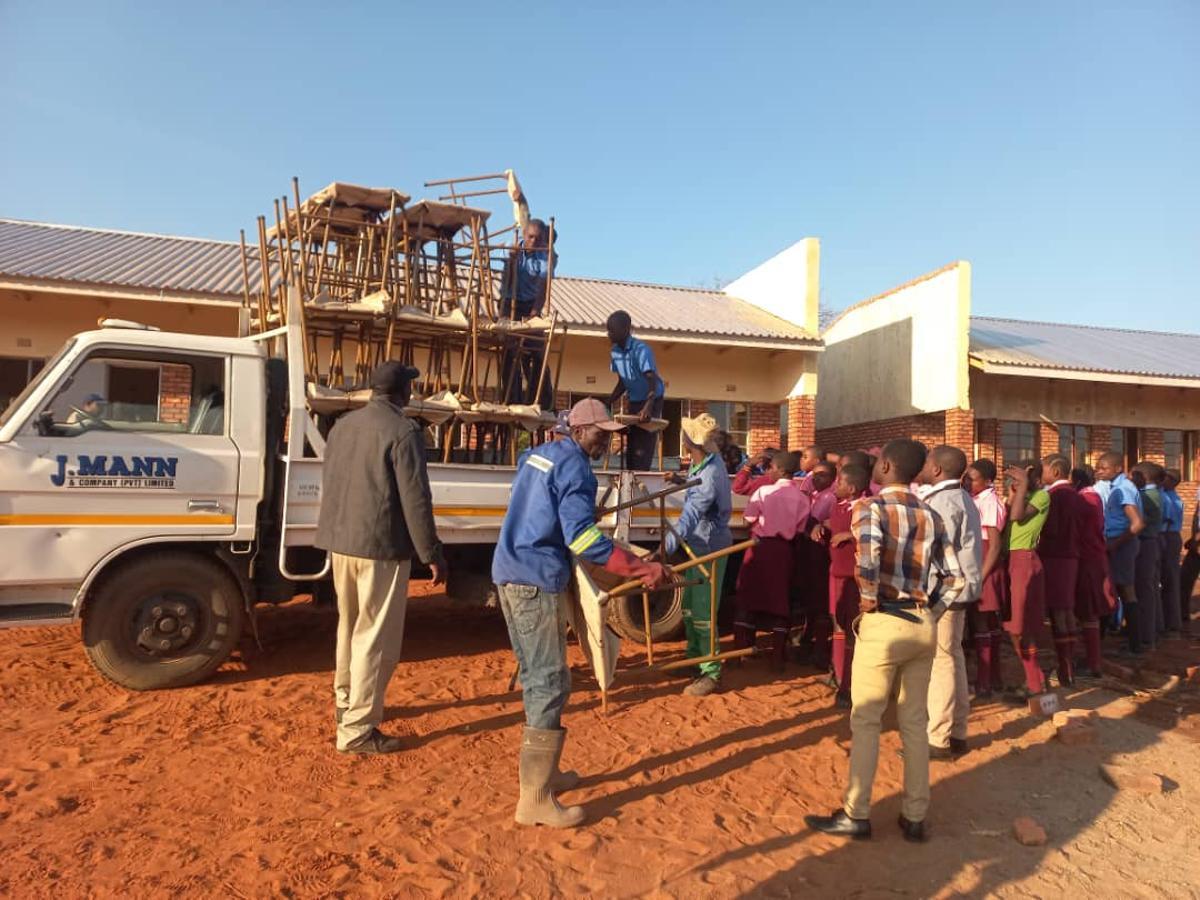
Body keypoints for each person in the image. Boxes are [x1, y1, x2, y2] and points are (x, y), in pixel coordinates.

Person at [492, 398, 670, 827]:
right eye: (600, 433)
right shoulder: (576, 468)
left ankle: (546, 776)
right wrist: (641, 566)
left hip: (509, 571)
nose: (607, 441)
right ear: (579, 430)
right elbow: (585, 541)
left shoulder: (536, 454)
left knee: (540, 676)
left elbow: (542, 504)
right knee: (549, 682)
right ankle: (533, 799)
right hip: (535, 578)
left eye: (609, 434)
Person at [804, 440, 966, 843]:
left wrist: (870, 600)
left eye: (878, 464)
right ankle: (915, 815)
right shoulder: (931, 515)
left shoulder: (870, 509)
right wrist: (931, 612)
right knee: (914, 722)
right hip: (920, 621)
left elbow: (869, 559)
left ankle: (856, 813)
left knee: (867, 720)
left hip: (885, 622)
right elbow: (954, 578)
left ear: (887, 467)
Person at [315, 362, 446, 755]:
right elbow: (416, 500)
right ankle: (357, 731)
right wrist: (432, 552)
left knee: (349, 627)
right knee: (374, 638)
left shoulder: (342, 426)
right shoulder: (404, 432)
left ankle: (346, 703)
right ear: (402, 393)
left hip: (342, 542)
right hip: (381, 548)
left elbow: (334, 480)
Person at [918, 446, 982, 759]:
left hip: (944, 590)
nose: (924, 466)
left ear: (938, 470)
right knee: (952, 657)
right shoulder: (962, 498)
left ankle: (939, 737)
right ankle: (957, 732)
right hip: (959, 589)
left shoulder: (942, 502)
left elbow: (930, 551)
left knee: (941, 661)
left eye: (928, 462)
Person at [665, 412, 733, 697]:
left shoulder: (711, 472)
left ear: (688, 442)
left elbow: (693, 510)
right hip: (696, 545)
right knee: (690, 608)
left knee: (704, 613)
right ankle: (694, 658)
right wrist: (680, 478)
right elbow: (697, 486)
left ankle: (711, 672)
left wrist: (666, 547)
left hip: (709, 550)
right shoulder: (703, 463)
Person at [733, 451, 806, 668]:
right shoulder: (802, 498)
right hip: (784, 551)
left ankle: (739, 654)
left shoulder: (764, 492)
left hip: (758, 548)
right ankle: (777, 657)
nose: (768, 471)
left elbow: (748, 520)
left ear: (781, 470)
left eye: (772, 467)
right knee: (780, 601)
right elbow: (800, 529)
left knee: (747, 597)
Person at [499, 175, 557, 408]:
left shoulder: (546, 257)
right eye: (530, 237)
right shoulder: (513, 250)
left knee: (536, 351)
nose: (533, 241)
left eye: (538, 238)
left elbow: (543, 288)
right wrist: (512, 261)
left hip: (530, 304)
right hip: (509, 301)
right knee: (509, 352)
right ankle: (510, 399)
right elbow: (506, 281)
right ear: (525, 236)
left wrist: (535, 311)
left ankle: (541, 401)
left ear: (544, 239)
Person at [816, 462, 870, 707]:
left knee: (852, 628)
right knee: (837, 623)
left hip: (853, 576)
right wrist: (820, 526)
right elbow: (832, 522)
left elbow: (872, 534)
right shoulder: (838, 506)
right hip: (835, 573)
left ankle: (849, 685)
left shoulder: (865, 508)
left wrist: (850, 535)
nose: (835, 486)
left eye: (840, 483)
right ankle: (838, 676)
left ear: (852, 488)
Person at [1002, 461, 1050, 702]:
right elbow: (1007, 521)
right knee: (1013, 626)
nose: (1015, 482)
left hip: (1024, 560)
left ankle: (1034, 684)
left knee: (1021, 627)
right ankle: (1035, 677)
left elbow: (1018, 517)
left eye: (1020, 478)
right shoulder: (1020, 495)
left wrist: (1021, 489)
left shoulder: (1041, 497)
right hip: (1011, 559)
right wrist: (1014, 493)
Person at [1038, 454, 1084, 687]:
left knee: (1059, 613)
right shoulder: (1077, 495)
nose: (1040, 473)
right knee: (1066, 610)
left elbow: (1051, 529)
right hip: (1072, 557)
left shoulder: (1054, 496)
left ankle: (1065, 670)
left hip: (1055, 557)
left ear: (1055, 472)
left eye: (1043, 469)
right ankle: (1068, 667)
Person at [964, 459, 1007, 698]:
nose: (969, 482)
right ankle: (993, 677)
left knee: (983, 620)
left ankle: (984, 682)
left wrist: (981, 576)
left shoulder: (990, 501)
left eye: (974, 478)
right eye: (967, 477)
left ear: (988, 480)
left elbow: (994, 544)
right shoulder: (976, 498)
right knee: (986, 623)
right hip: (978, 561)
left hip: (985, 565)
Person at [1094, 452, 1145, 654]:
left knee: (1124, 590)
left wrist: (1114, 545)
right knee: (1113, 589)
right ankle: (1105, 638)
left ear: (1118, 468)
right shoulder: (1117, 488)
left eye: (1104, 468)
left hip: (1121, 544)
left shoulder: (1123, 489)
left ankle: (1134, 644)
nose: (1099, 471)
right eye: (1098, 467)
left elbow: (1138, 524)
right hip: (1117, 543)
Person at [1071, 465, 1115, 677]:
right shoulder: (1092, 496)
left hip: (1088, 558)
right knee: (1087, 612)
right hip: (1093, 555)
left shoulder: (1085, 499)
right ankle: (1090, 659)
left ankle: (1092, 662)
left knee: (1088, 611)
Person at [606, 310, 664, 470]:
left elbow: (651, 378)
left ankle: (641, 474)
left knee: (643, 442)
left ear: (625, 329)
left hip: (652, 399)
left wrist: (648, 406)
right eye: (608, 330)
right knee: (632, 442)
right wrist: (608, 401)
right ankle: (630, 475)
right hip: (634, 399)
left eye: (612, 330)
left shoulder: (641, 350)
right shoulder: (615, 352)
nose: (608, 334)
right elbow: (623, 383)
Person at [1132, 462, 1166, 648]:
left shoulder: (1146, 496)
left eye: (1133, 475)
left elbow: (1139, 522)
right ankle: (1153, 630)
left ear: (1142, 477)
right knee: (1150, 588)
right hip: (1151, 543)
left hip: (1146, 544)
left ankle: (1146, 638)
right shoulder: (1154, 494)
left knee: (1144, 591)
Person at [1161, 468, 1185, 637]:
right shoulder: (1170, 496)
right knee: (1168, 579)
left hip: (1169, 537)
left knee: (1169, 580)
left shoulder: (1170, 499)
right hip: (1170, 537)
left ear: (1171, 481)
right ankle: (1170, 619)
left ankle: (1172, 621)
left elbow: (1165, 519)